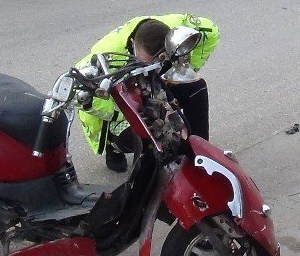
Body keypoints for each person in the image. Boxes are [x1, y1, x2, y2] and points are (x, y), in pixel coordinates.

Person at [77, 14, 219, 173]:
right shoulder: (106, 55)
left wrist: (185, 70)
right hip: (118, 102)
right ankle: (116, 149)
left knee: (196, 87)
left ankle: (200, 154)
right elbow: (80, 92)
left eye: (159, 60)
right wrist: (127, 114)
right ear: (132, 45)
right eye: (147, 62)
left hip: (154, 84)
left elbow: (211, 31)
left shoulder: (176, 31)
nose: (154, 65)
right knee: (147, 135)